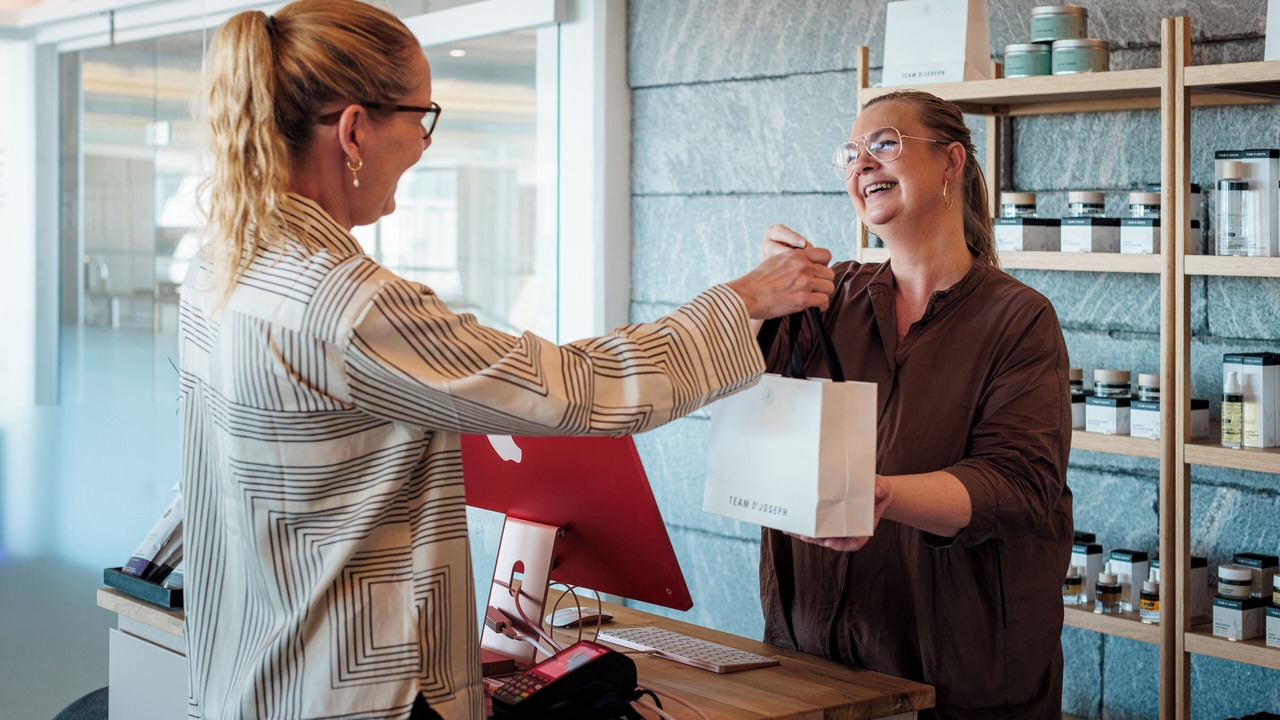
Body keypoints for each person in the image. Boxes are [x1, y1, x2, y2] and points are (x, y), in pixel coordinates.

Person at [178, 1, 835, 718]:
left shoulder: (223, 269)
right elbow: (573, 390)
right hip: (356, 693)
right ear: (355, 129)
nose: (425, 145)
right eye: (421, 116)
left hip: (259, 676)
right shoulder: (345, 304)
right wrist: (742, 301)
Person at [756, 89, 1073, 719]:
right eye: (852, 154)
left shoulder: (1019, 319)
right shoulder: (826, 298)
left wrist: (885, 496)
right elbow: (749, 417)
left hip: (958, 679)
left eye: (884, 145)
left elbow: (1019, 486)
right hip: (811, 667)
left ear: (952, 162)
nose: (862, 165)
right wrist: (757, 302)